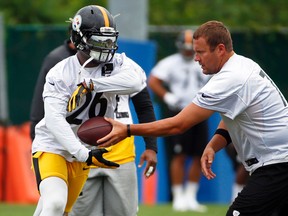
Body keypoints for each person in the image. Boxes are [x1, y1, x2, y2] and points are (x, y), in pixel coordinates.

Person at [98, 20, 288, 216]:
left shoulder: (231, 78)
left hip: (277, 164)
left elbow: (178, 125)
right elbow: (234, 113)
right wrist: (214, 144)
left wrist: (128, 130)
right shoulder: (243, 64)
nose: (196, 58)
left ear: (220, 49)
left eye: (201, 52)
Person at [31, 5, 155, 216]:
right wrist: (83, 154)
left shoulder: (118, 63)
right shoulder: (61, 72)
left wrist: (92, 84)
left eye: (110, 40)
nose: (107, 47)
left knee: (56, 210)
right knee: (54, 205)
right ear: (80, 39)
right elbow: (54, 120)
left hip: (85, 150)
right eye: (99, 40)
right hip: (55, 146)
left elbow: (136, 83)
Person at [148, 29, 209, 212]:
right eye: (186, 48)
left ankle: (191, 197)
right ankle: (178, 196)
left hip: (200, 111)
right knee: (179, 155)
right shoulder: (170, 63)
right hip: (180, 112)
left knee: (200, 155)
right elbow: (153, 80)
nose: (189, 52)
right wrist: (167, 96)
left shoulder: (204, 61)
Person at [30, 25, 77, 140]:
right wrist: (35, 132)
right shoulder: (57, 59)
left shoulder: (96, 60)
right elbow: (40, 99)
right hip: (60, 135)